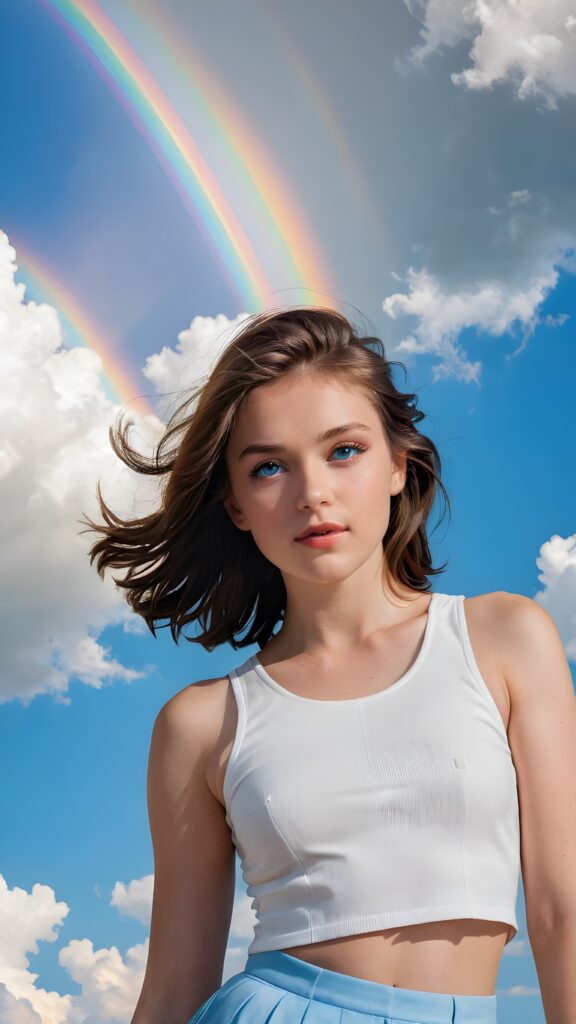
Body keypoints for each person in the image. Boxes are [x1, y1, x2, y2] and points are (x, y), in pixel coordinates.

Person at [81, 307, 575, 1024]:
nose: (313, 493)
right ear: (238, 505)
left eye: (344, 450)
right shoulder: (201, 724)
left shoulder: (504, 638)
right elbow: (172, 991)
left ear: (400, 462)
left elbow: (562, 908)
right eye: (270, 467)